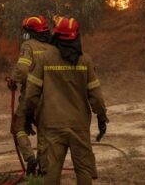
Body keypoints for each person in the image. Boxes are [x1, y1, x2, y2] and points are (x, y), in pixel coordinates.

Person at [24, 16, 108, 185]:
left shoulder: (45, 59)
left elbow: (32, 93)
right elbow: (96, 95)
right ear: (76, 36)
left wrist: (28, 116)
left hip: (51, 126)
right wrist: (101, 117)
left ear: (56, 35)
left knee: (50, 174)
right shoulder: (85, 60)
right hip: (79, 125)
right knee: (84, 170)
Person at [7, 15, 56, 175]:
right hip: (50, 98)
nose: (24, 34)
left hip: (31, 96)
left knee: (18, 127)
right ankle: (44, 169)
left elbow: (22, 69)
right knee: (43, 132)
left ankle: (30, 159)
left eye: (26, 31)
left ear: (31, 32)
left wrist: (13, 80)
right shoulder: (53, 48)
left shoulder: (28, 45)